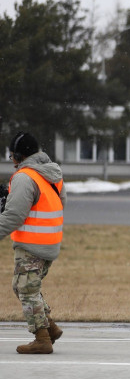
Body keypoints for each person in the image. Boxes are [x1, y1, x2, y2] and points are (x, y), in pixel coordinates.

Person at [0, 133, 65, 355]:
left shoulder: (24, 177)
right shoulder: (52, 174)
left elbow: (14, 216)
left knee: (26, 289)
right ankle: (51, 328)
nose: (12, 161)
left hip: (31, 243)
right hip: (50, 242)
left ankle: (42, 338)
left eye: (11, 156)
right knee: (24, 286)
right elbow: (58, 203)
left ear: (18, 155)